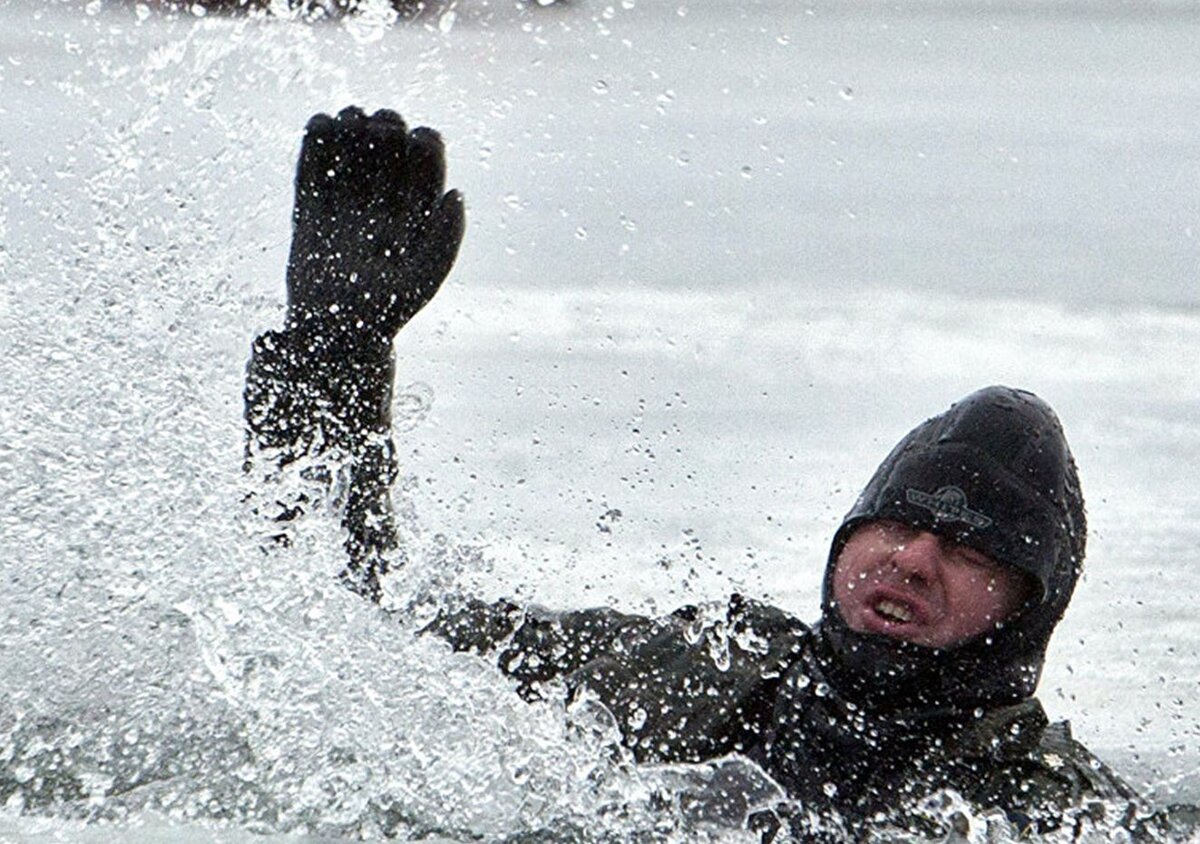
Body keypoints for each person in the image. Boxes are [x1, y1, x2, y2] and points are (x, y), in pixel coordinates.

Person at [244, 107, 1193, 841]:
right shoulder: (689, 675)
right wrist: (336, 357)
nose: (910, 557)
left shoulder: (1055, 809)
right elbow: (348, 635)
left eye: (967, 546)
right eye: (895, 524)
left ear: (1028, 603)